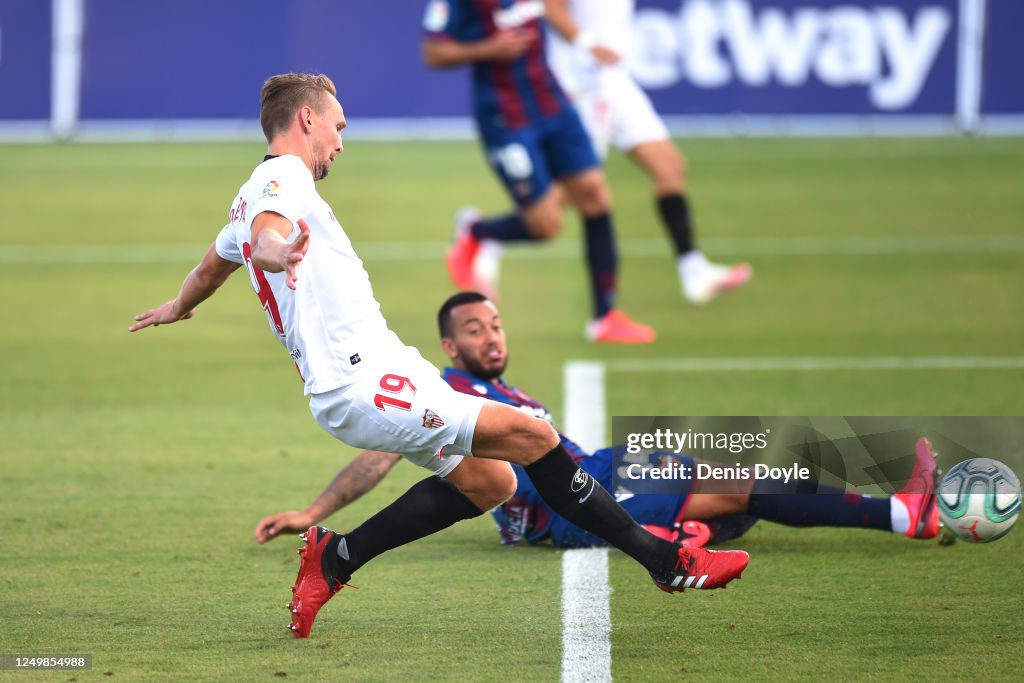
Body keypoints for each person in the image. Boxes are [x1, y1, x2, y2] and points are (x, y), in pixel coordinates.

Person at [128, 73, 749, 639]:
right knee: (533, 435)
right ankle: (666, 562)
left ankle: (336, 558)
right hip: (361, 383)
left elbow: (213, 265)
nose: (340, 144)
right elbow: (263, 235)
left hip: (383, 370)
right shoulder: (279, 179)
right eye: (338, 127)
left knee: (492, 481)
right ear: (308, 120)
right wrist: (277, 252)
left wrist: (179, 305)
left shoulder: (249, 197)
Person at [255, 291, 941, 553]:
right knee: (742, 488)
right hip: (561, 507)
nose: (490, 336)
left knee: (746, 477)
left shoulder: (505, 387)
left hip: (601, 466)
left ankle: (694, 527)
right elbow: (381, 453)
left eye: (495, 323)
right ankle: (903, 515)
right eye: (473, 329)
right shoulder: (442, 388)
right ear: (450, 346)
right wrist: (312, 508)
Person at [421, 0, 656, 344]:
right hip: (505, 116)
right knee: (545, 226)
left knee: (593, 191)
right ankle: (477, 231)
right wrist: (490, 48)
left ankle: (604, 316)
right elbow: (433, 52)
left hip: (551, 100)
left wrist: (588, 46)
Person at [543, 0, 752, 305]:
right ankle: (486, 237)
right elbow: (551, 8)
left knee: (670, 168)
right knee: (579, 188)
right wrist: (589, 44)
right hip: (585, 80)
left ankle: (694, 271)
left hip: (616, 77)